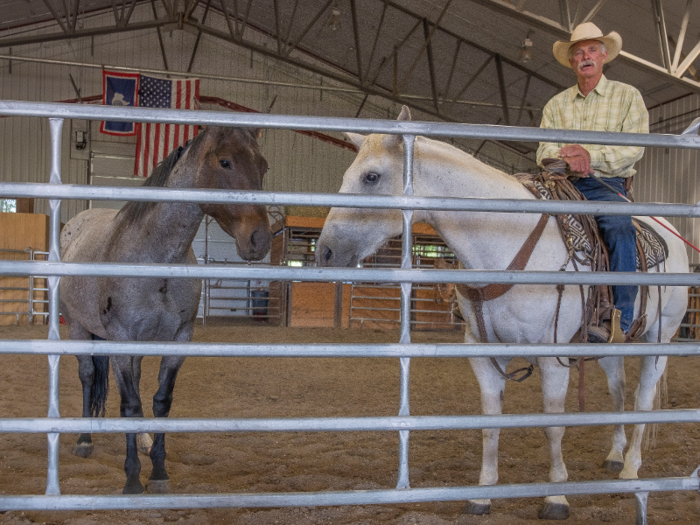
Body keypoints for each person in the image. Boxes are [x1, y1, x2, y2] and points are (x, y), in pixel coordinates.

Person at [536, 22, 649, 341]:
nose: (585, 56)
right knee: (519, 213)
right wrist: (566, 155)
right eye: (578, 52)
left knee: (619, 227)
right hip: (561, 181)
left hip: (608, 184)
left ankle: (620, 320)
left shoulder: (628, 97)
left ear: (603, 56)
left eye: (591, 50)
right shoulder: (556, 105)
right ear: (572, 61)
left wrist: (590, 156)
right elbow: (542, 148)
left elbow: (633, 149)